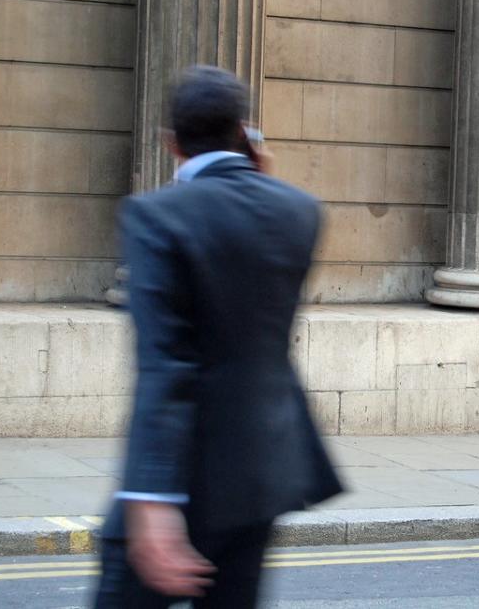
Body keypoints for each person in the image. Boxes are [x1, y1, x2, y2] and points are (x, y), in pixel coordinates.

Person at [94, 66, 342, 608]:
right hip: (258, 477)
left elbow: (165, 364)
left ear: (171, 142)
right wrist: (258, 166)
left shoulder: (156, 215)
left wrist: (153, 499)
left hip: (179, 478)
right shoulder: (299, 211)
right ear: (245, 132)